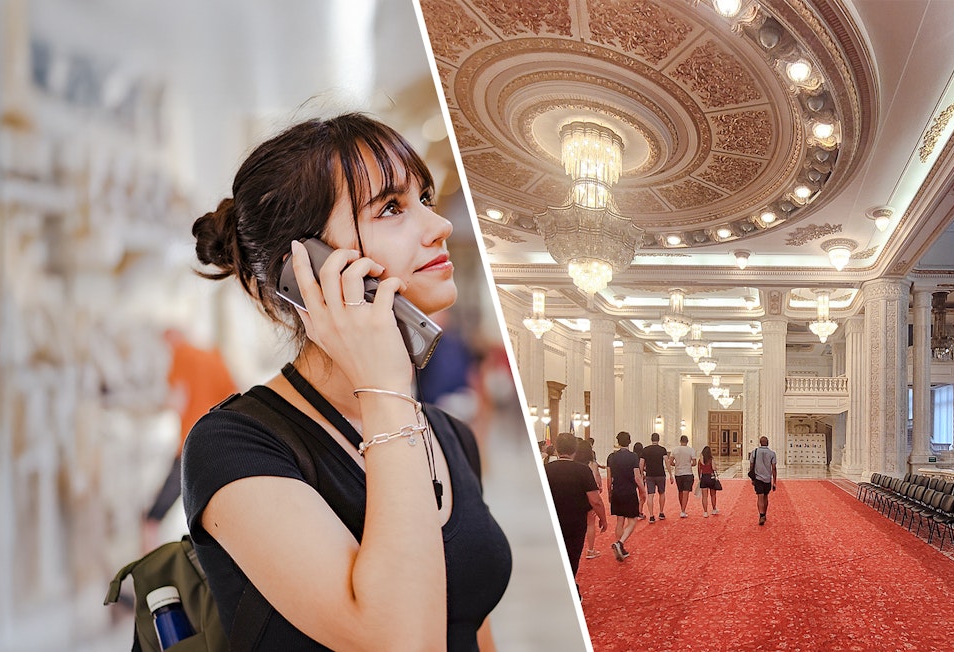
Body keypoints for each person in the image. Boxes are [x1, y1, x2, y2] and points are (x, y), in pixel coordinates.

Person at [181, 114, 512, 650]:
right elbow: (400, 640)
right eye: (390, 208)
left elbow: (472, 628)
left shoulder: (450, 437)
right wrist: (384, 385)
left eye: (423, 198)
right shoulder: (233, 447)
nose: (438, 225)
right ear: (306, 268)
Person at [144, 328, 237, 549]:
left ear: (169, 339)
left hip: (191, 445)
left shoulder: (181, 356)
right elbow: (234, 394)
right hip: (219, 444)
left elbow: (178, 400)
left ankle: (146, 571)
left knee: (152, 517)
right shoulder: (213, 356)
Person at [544, 433, 607, 598]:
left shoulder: (546, 469)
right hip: (575, 523)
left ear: (556, 449)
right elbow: (595, 501)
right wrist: (603, 518)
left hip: (551, 520)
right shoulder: (582, 470)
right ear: (575, 450)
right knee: (572, 556)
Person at [606, 431, 645, 561]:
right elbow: (637, 476)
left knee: (620, 520)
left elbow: (609, 477)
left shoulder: (611, 457)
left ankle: (619, 546)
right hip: (629, 492)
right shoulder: (633, 456)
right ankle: (620, 543)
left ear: (618, 442)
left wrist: (609, 492)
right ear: (629, 441)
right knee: (633, 520)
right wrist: (642, 490)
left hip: (616, 490)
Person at [574, 437, 604, 559]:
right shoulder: (592, 464)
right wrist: (600, 487)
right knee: (591, 523)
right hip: (589, 494)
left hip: (576, 494)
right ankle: (590, 550)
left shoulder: (574, 464)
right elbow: (597, 478)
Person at [639, 433, 669, 523]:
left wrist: (641, 474)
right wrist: (670, 474)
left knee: (650, 495)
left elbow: (641, 463)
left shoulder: (645, 450)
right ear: (658, 439)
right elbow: (667, 462)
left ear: (651, 439)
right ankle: (661, 512)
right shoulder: (662, 449)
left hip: (649, 475)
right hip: (660, 474)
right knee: (662, 493)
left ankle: (651, 515)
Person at [750, 436, 779, 525]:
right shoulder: (772, 453)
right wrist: (774, 482)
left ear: (760, 442)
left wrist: (752, 478)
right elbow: (774, 468)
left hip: (758, 478)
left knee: (760, 497)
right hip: (767, 478)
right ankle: (764, 514)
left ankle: (761, 515)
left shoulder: (754, 452)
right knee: (766, 496)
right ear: (768, 443)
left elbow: (751, 465)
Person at [670, 434, 697, 518]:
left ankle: (682, 508)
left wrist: (677, 464)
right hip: (688, 473)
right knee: (686, 492)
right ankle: (683, 510)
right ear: (687, 441)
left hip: (678, 473)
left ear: (680, 441)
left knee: (680, 491)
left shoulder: (675, 450)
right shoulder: (691, 450)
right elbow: (694, 462)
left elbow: (670, 461)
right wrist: (688, 465)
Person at [698, 445, 720, 517]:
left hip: (704, 477)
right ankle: (714, 509)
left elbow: (699, 470)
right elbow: (714, 468)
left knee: (704, 496)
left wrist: (700, 478)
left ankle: (705, 512)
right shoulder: (711, 459)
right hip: (711, 477)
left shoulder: (700, 460)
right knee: (713, 495)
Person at [632, 441, 647, 519]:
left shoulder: (632, 457)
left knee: (633, 495)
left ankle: (633, 511)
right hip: (640, 477)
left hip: (631, 478)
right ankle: (639, 511)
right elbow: (644, 468)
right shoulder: (642, 457)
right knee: (642, 495)